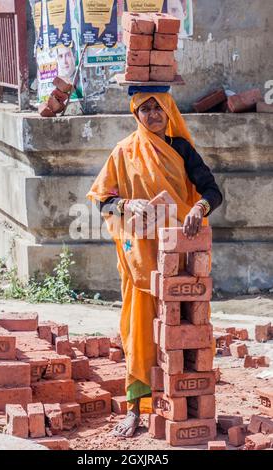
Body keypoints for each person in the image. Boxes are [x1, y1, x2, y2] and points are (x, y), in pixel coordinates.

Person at [86, 91, 222, 438]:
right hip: (140, 260)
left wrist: (197, 209)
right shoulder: (124, 151)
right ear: (136, 115)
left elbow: (211, 191)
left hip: (181, 260)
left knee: (185, 331)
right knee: (139, 332)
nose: (152, 114)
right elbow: (102, 200)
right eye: (144, 109)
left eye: (158, 107)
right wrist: (126, 204)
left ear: (169, 110)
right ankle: (135, 410)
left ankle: (188, 408)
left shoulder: (181, 149)